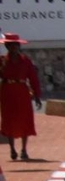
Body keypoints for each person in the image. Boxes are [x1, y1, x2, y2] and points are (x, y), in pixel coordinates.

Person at [2, 35, 41, 164]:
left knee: (25, 119)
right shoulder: (2, 61)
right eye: (10, 45)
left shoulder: (26, 61)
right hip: (6, 92)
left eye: (16, 45)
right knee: (8, 120)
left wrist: (37, 96)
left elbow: (33, 79)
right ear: (6, 46)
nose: (14, 47)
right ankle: (12, 148)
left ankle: (24, 149)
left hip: (22, 92)